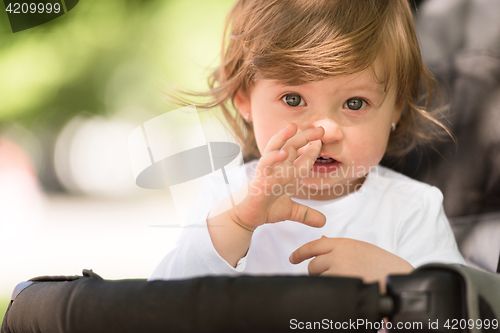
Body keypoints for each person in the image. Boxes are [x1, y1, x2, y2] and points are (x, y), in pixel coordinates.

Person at [149, 0, 466, 291]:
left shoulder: (412, 209)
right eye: (293, 99)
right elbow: (160, 305)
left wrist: (399, 283)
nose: (325, 131)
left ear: (396, 108)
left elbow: (460, 317)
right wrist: (236, 223)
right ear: (244, 99)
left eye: (355, 103)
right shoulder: (226, 196)